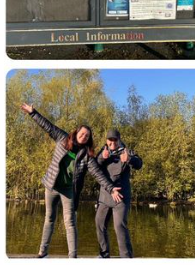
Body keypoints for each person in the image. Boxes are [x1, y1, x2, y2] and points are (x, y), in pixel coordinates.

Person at [20, 103, 123, 258]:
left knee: (70, 222)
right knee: (49, 218)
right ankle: (43, 252)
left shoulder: (87, 154)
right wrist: (33, 113)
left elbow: (97, 173)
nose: (84, 137)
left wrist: (111, 188)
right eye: (82, 134)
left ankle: (72, 256)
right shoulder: (62, 138)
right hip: (52, 186)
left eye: (87, 136)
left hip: (68, 190)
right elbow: (48, 126)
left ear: (89, 139)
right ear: (76, 133)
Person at [95, 129, 143, 258]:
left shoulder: (127, 151)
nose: (112, 142)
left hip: (121, 198)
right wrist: (101, 157)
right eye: (110, 140)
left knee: (119, 226)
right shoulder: (103, 151)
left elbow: (139, 164)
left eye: (115, 140)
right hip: (105, 196)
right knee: (99, 224)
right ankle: (104, 254)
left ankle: (126, 257)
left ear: (119, 140)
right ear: (107, 140)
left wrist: (130, 159)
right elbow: (95, 167)